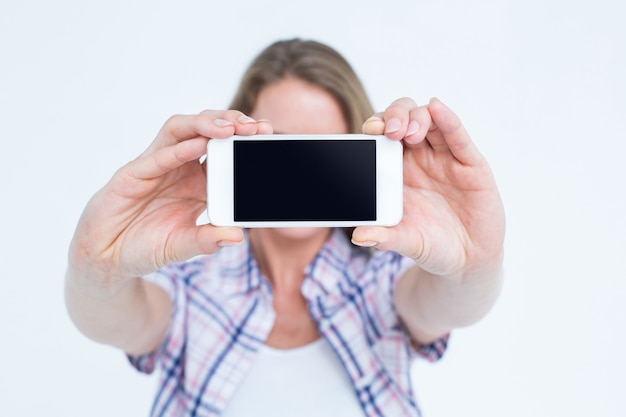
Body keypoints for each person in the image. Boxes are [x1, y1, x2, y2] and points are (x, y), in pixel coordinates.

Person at [65, 39, 505, 417]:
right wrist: (95, 264)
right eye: (282, 148)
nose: (302, 173)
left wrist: (474, 265)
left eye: (321, 152)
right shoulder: (192, 283)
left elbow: (453, 302)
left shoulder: (382, 278)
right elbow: (108, 318)